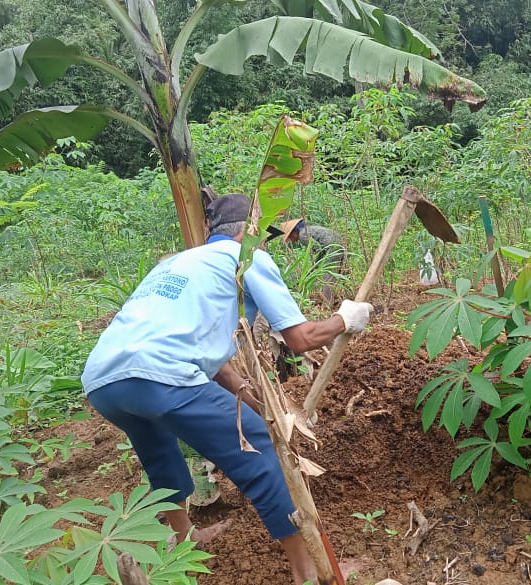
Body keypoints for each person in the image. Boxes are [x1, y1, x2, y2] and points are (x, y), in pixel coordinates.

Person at [81, 194, 373, 585]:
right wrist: (345, 319)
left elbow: (210, 356)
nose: (265, 241)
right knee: (259, 449)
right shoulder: (247, 257)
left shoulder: (178, 263)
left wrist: (256, 402)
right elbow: (301, 338)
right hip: (163, 374)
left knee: (159, 452)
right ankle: (310, 572)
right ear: (250, 231)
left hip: (104, 380)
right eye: (263, 233)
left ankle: (183, 541)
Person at [279, 218, 346, 304]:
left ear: (293, 232)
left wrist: (316, 264)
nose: (291, 240)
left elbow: (319, 249)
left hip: (332, 247)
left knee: (328, 275)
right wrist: (315, 265)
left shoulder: (302, 235)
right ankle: (343, 297)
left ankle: (328, 304)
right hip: (340, 243)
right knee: (340, 273)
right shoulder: (307, 230)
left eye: (289, 237)